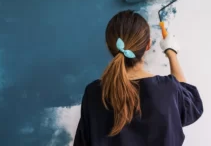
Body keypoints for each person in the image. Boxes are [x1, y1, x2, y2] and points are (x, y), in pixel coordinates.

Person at [73, 10, 203, 146]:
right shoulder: (167, 89)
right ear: (148, 45)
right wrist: (171, 53)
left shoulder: (93, 93)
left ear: (108, 46)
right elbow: (190, 105)